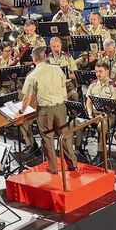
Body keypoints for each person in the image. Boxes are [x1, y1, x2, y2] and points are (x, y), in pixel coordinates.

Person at [22, 45, 77, 174]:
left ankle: (53, 168)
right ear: (46, 57)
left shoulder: (32, 76)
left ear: (34, 59)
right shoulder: (57, 69)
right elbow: (64, 86)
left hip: (45, 111)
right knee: (64, 136)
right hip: (60, 107)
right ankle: (72, 164)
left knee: (47, 138)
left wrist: (20, 112)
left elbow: (27, 98)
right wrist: (62, 99)